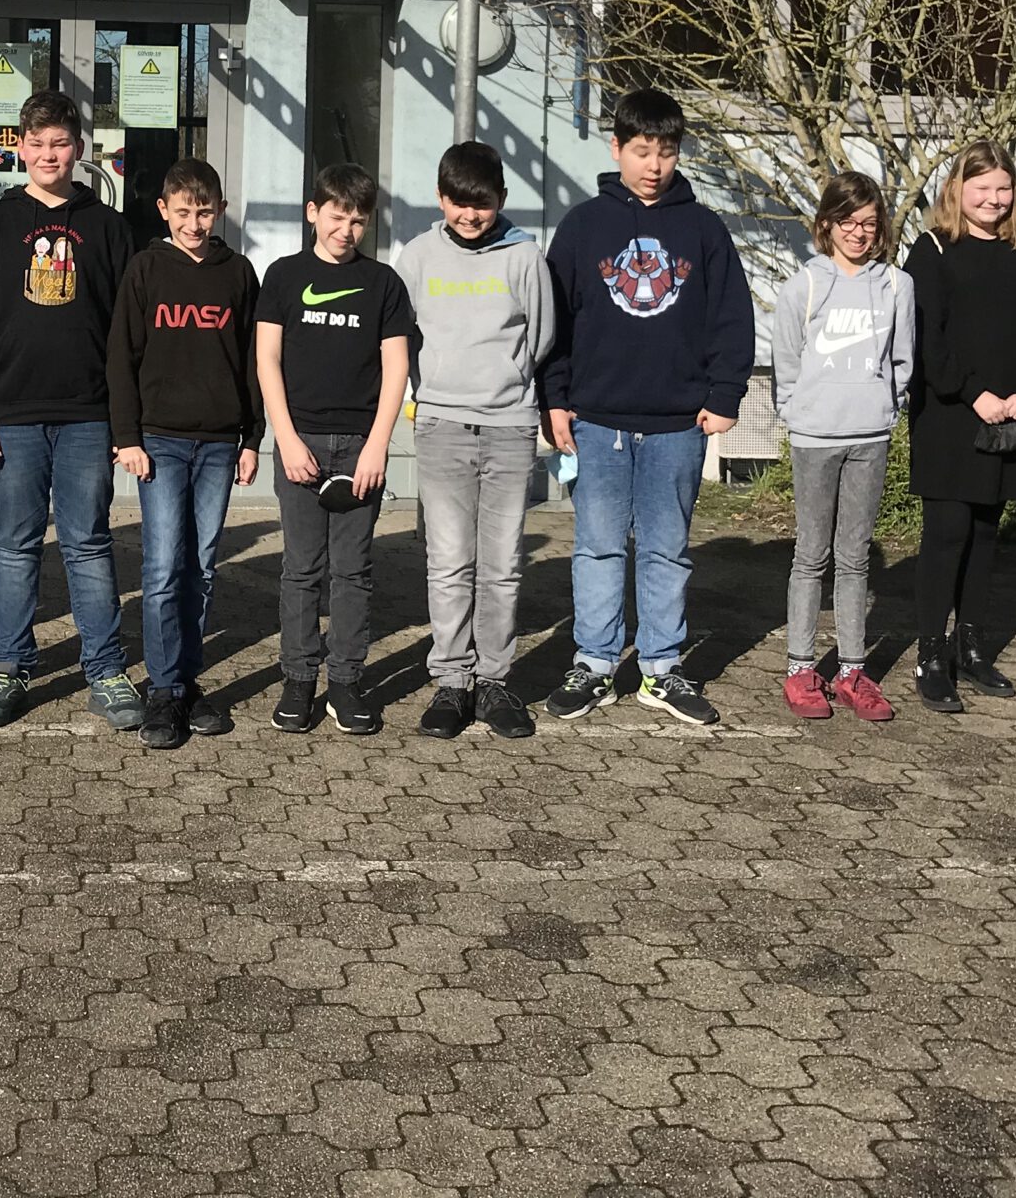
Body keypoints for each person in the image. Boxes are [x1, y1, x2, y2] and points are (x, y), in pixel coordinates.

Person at [541, 89, 752, 729]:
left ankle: (662, 668)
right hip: (596, 421)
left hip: (677, 424)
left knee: (666, 552)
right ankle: (595, 664)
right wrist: (555, 399)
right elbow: (555, 323)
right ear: (616, 149)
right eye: (641, 151)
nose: (654, 165)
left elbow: (731, 318)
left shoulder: (703, 229)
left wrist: (725, 395)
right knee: (598, 549)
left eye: (666, 152)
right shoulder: (583, 226)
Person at [0, 90, 143, 732]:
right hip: (11, 413)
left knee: (88, 542)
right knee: (13, 544)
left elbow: (126, 335)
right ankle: (9, 667)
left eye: (60, 143)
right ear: (19, 148)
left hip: (89, 413)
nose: (48, 154)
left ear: (79, 149)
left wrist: (125, 422)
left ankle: (106, 670)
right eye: (36, 144)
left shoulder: (110, 228)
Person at [394, 140, 550, 744]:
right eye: (459, 203)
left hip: (510, 427)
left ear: (501, 200)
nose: (470, 215)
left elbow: (541, 336)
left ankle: (493, 681)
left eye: (482, 204)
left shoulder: (525, 257)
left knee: (503, 565)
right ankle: (452, 681)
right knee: (449, 563)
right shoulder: (417, 257)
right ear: (441, 199)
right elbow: (400, 336)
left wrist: (506, 383)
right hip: (441, 427)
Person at [256, 162, 416, 737]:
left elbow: (396, 367)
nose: (346, 230)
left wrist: (378, 447)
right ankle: (299, 679)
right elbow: (267, 360)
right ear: (313, 213)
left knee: (353, 571)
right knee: (301, 569)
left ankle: (346, 682)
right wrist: (286, 438)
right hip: (299, 442)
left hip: (359, 449)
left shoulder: (384, 283)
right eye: (336, 216)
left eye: (358, 220)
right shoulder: (283, 276)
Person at [902, 140, 1016, 715]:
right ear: (956, 190)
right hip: (950, 415)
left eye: (1003, 189)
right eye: (982, 188)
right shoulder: (932, 250)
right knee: (948, 533)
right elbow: (927, 338)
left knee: (987, 533)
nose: (994, 199)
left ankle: (970, 647)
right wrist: (974, 393)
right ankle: (930, 655)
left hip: (1010, 416)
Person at [108, 157, 260, 752]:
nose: (193, 224)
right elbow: (121, 357)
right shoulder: (146, 269)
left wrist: (252, 439)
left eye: (204, 212)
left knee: (201, 566)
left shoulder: (238, 273)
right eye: (183, 212)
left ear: (220, 210)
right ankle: (163, 689)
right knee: (163, 567)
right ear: (163, 210)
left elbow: (253, 362)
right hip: (160, 442)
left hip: (220, 444)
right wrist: (127, 437)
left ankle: (187, 682)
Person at [766, 172, 913, 723]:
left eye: (869, 223)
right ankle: (800, 668)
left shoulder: (897, 285)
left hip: (869, 437)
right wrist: (799, 413)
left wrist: (883, 409)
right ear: (826, 224)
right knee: (811, 555)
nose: (858, 232)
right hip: (814, 438)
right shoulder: (803, 285)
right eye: (847, 222)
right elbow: (786, 361)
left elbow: (903, 360)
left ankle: (852, 670)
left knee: (854, 557)